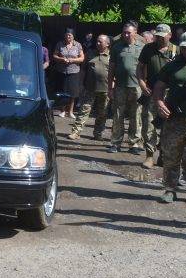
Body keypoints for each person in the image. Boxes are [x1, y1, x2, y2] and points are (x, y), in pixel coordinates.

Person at [154, 32, 186, 204]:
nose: (185, 51)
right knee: (170, 155)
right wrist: (159, 103)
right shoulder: (172, 65)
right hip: (174, 117)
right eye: (182, 47)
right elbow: (159, 86)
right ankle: (170, 188)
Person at [136, 23, 177, 168]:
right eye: (157, 36)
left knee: (168, 126)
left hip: (169, 95)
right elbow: (140, 67)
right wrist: (142, 83)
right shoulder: (148, 48)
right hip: (151, 92)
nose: (159, 39)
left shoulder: (175, 50)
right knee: (148, 124)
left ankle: (163, 155)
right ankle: (149, 155)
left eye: (162, 36)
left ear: (169, 35)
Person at [107, 21, 143, 154]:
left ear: (135, 33)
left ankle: (134, 144)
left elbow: (145, 68)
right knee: (118, 115)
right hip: (120, 86)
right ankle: (115, 143)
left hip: (137, 87)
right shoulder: (117, 47)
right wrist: (110, 87)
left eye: (129, 32)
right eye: (124, 32)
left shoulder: (142, 47)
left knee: (136, 116)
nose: (126, 34)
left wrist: (144, 85)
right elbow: (111, 68)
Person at [69, 35, 111, 141]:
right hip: (90, 88)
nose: (97, 43)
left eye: (100, 42)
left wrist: (113, 85)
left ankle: (98, 133)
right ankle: (76, 132)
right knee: (84, 110)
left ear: (107, 44)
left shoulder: (112, 55)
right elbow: (83, 69)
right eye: (97, 41)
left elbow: (115, 72)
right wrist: (80, 83)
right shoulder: (90, 53)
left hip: (105, 89)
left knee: (102, 113)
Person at [51, 28, 84, 118]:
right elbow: (54, 55)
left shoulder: (78, 45)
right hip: (62, 71)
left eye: (70, 35)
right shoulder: (60, 44)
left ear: (73, 36)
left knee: (72, 93)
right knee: (62, 91)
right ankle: (62, 110)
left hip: (74, 71)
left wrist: (72, 60)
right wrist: (62, 59)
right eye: (66, 35)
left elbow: (82, 58)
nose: (68, 36)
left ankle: (70, 111)